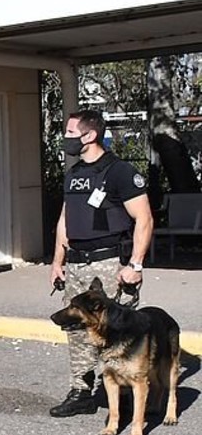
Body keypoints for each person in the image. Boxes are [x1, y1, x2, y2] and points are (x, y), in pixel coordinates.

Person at [48, 109, 154, 417]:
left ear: (89, 135)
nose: (65, 138)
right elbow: (65, 220)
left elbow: (144, 219)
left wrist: (135, 265)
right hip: (77, 265)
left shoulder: (120, 172)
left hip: (108, 261)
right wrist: (58, 261)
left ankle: (130, 390)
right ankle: (81, 390)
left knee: (119, 330)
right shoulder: (75, 172)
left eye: (70, 133)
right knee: (76, 329)